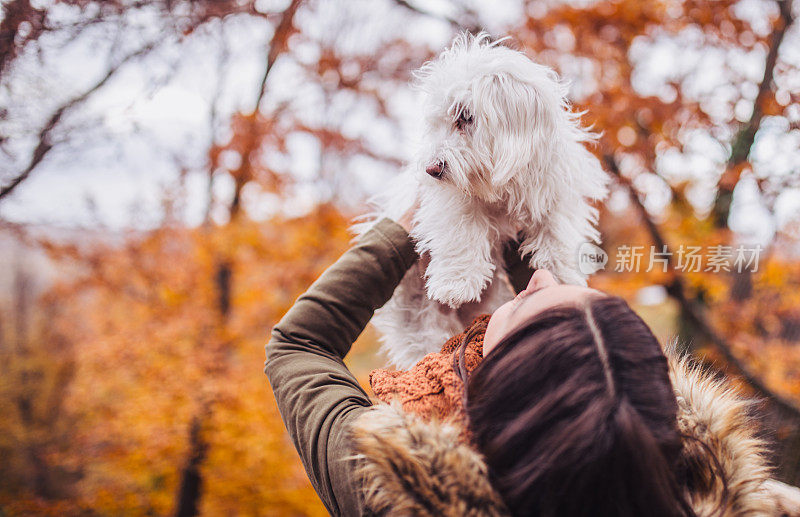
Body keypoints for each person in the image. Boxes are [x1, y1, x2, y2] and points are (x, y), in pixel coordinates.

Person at [264, 214, 795, 516]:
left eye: (518, 305)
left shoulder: (390, 493)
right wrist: (513, 216)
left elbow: (298, 346)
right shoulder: (742, 502)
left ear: (496, 388)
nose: (538, 280)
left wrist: (410, 220)